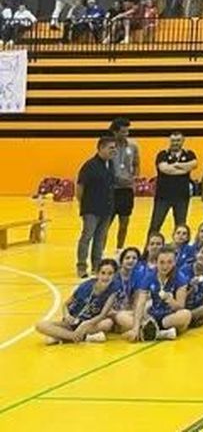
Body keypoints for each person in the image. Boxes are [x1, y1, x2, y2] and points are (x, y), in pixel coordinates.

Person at [36, 258, 117, 344]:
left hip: (90, 325)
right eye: (103, 273)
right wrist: (66, 315)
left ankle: (61, 337)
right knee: (40, 325)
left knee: (108, 323)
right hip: (72, 323)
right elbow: (65, 304)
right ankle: (78, 337)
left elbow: (102, 315)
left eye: (110, 274)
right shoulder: (85, 286)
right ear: (97, 274)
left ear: (114, 275)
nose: (106, 277)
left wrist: (85, 324)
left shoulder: (113, 291)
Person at [75, 136, 117, 279]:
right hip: (91, 209)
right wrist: (84, 204)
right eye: (111, 148)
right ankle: (81, 266)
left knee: (100, 238)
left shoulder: (110, 164)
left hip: (106, 209)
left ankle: (97, 266)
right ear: (101, 148)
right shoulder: (89, 166)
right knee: (87, 236)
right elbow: (79, 187)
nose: (114, 150)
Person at [149, 132, 197, 236]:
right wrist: (184, 168)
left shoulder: (189, 154)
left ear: (183, 141)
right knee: (155, 226)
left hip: (182, 197)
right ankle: (147, 251)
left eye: (178, 140)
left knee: (180, 226)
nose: (175, 143)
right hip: (163, 197)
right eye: (173, 141)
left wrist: (175, 165)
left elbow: (193, 164)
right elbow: (165, 169)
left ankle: (179, 250)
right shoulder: (162, 154)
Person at [105, 118, 139, 252]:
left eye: (127, 131)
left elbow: (136, 164)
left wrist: (134, 178)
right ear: (114, 132)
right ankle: (100, 251)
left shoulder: (133, 146)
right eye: (123, 132)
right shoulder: (108, 146)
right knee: (106, 224)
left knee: (124, 223)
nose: (126, 134)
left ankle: (119, 250)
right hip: (111, 190)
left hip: (127, 191)